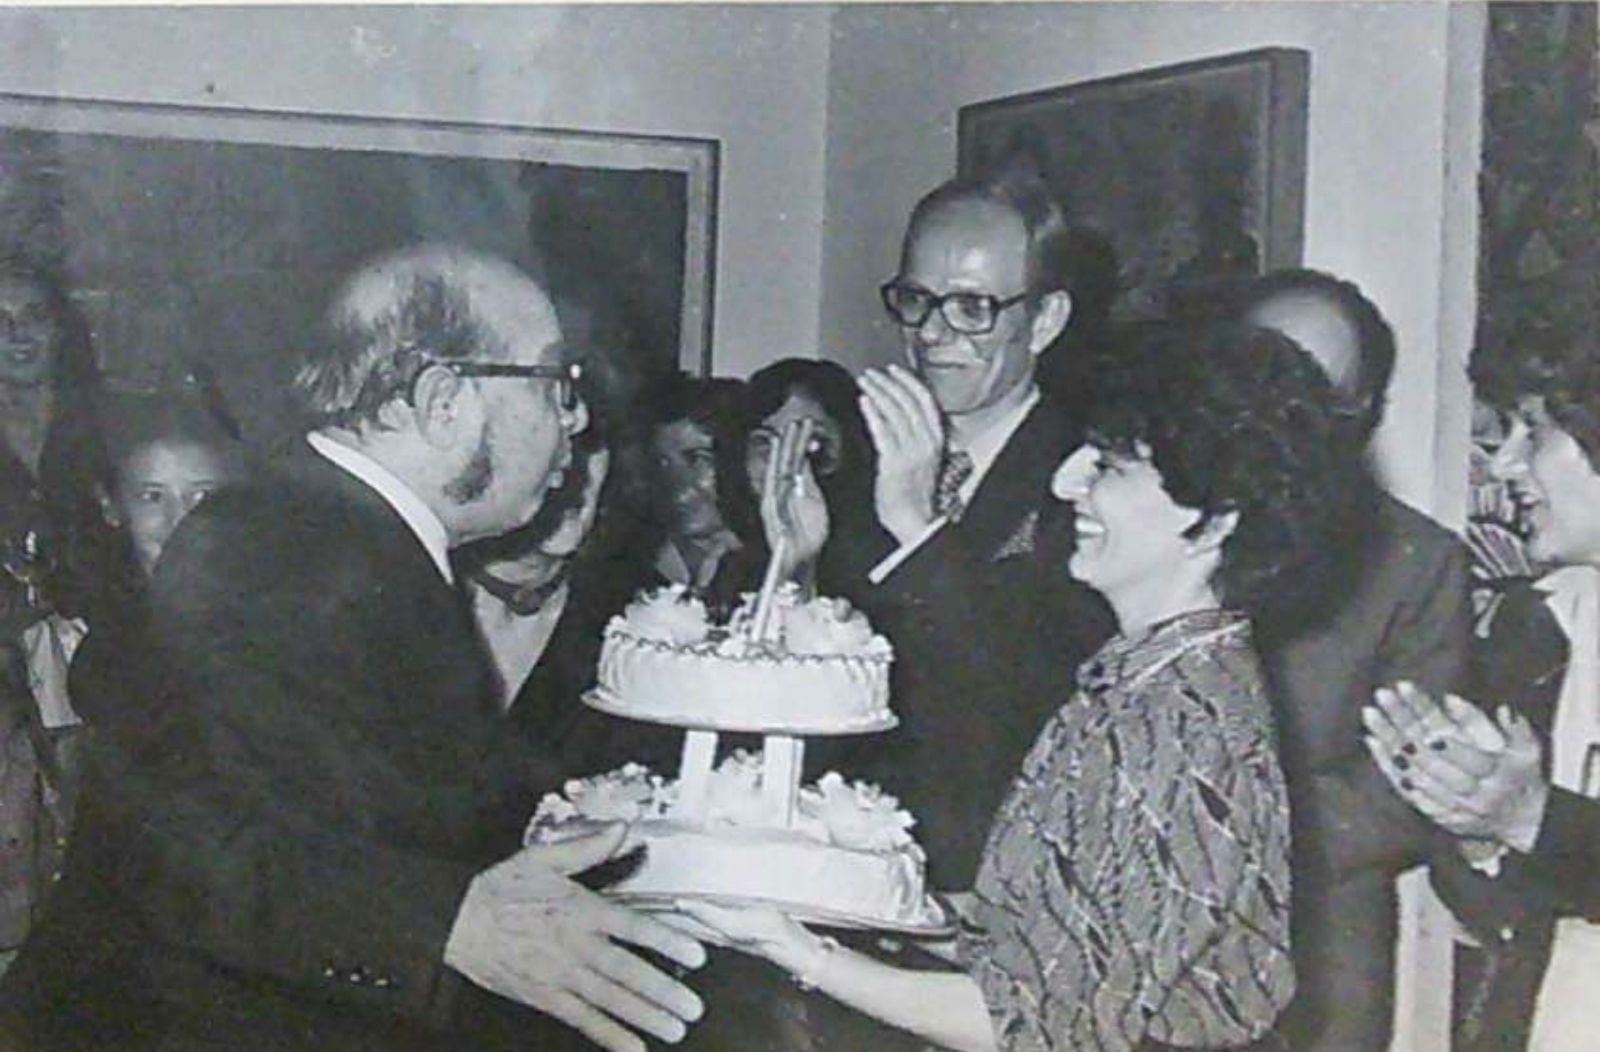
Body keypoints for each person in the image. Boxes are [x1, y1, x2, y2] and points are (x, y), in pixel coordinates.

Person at [0, 246, 706, 1052]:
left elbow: (366, 808)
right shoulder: (287, 547)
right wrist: (450, 924)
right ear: (444, 402)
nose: (574, 420)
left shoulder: (347, 537)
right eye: (556, 384)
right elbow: (175, 834)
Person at [684, 320, 1361, 1051]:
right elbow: (1039, 935)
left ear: (1216, 520)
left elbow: (1041, 1024)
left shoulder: (1182, 724)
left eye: (1108, 466)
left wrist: (794, 949)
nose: (1066, 483)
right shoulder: (1138, 679)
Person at [846, 168, 1114, 889]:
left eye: (972, 308)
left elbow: (1036, 712)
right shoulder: (868, 454)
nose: (932, 334)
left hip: (996, 884)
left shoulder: (1095, 478)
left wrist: (920, 531)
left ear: (1046, 322)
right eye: (916, 300)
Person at [1236, 269, 1473, 1050]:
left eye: (1314, 390)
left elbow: (1403, 793)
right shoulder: (1138, 521)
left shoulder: (1416, 563)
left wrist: (1229, 827)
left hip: (1318, 953)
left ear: (1361, 411)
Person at [1363, 326, 1600, 1052]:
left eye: (1534, 430)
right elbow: (1502, 915)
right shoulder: (1547, 626)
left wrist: (1531, 819)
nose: (1503, 465)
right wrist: (1475, 829)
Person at [0, 258, 109, 971]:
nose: (16, 335)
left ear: (60, 330)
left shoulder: (103, 426)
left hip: (98, 655)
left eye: (32, 318)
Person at [730, 357, 878, 601]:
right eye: (765, 443)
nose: (784, 462)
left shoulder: (879, 567)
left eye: (811, 443)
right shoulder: (732, 570)